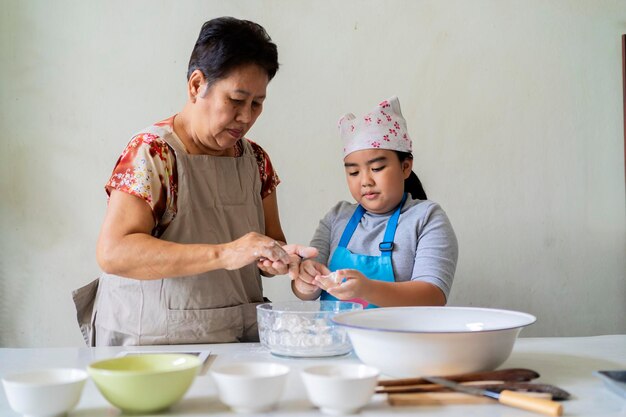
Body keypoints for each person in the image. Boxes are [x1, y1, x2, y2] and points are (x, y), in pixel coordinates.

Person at [72, 17, 315, 346]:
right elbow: (114, 253)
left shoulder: (256, 160)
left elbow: (269, 244)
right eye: (236, 100)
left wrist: (283, 259)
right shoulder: (154, 153)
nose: (246, 117)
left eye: (257, 104)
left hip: (235, 342)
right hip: (150, 348)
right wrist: (225, 254)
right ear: (197, 85)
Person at [291, 96, 458, 308]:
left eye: (377, 168)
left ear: (405, 167)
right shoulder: (337, 217)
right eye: (353, 172)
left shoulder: (426, 218)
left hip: (399, 341)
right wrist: (305, 281)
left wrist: (367, 289)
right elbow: (306, 291)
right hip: (336, 340)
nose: (365, 181)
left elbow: (433, 296)